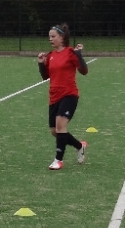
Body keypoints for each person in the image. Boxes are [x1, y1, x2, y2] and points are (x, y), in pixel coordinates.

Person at [37, 23, 88, 170]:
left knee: (60, 125)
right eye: (49, 37)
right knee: (55, 131)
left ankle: (58, 160)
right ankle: (79, 146)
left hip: (69, 94)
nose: (50, 39)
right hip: (54, 96)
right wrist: (41, 63)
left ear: (62, 37)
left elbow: (84, 71)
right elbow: (45, 76)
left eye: (53, 36)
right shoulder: (50, 56)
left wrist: (78, 54)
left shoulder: (71, 52)